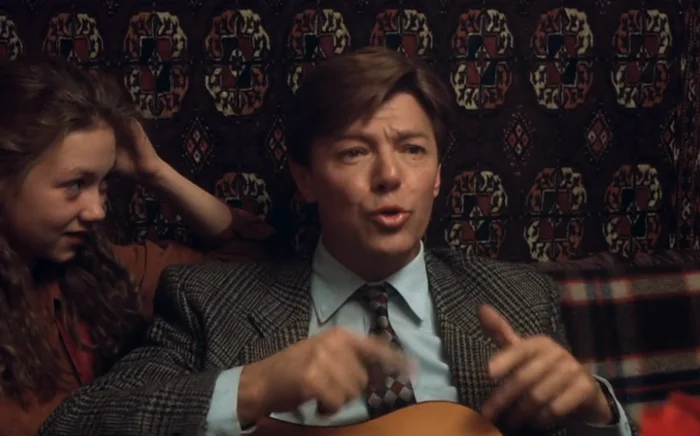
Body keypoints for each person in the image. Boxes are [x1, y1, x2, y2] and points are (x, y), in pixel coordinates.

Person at [37, 47, 634, 436]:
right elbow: (75, 425)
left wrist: (599, 410)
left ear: (438, 175)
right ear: (305, 178)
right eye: (354, 152)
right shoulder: (207, 301)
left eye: (412, 149)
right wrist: (257, 385)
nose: (389, 176)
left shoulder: (519, 298)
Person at [0, 56, 275, 436]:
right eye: (76, 185)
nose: (97, 210)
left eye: (104, 185)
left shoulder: (95, 268)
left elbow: (248, 267)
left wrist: (155, 172)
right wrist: (248, 393)